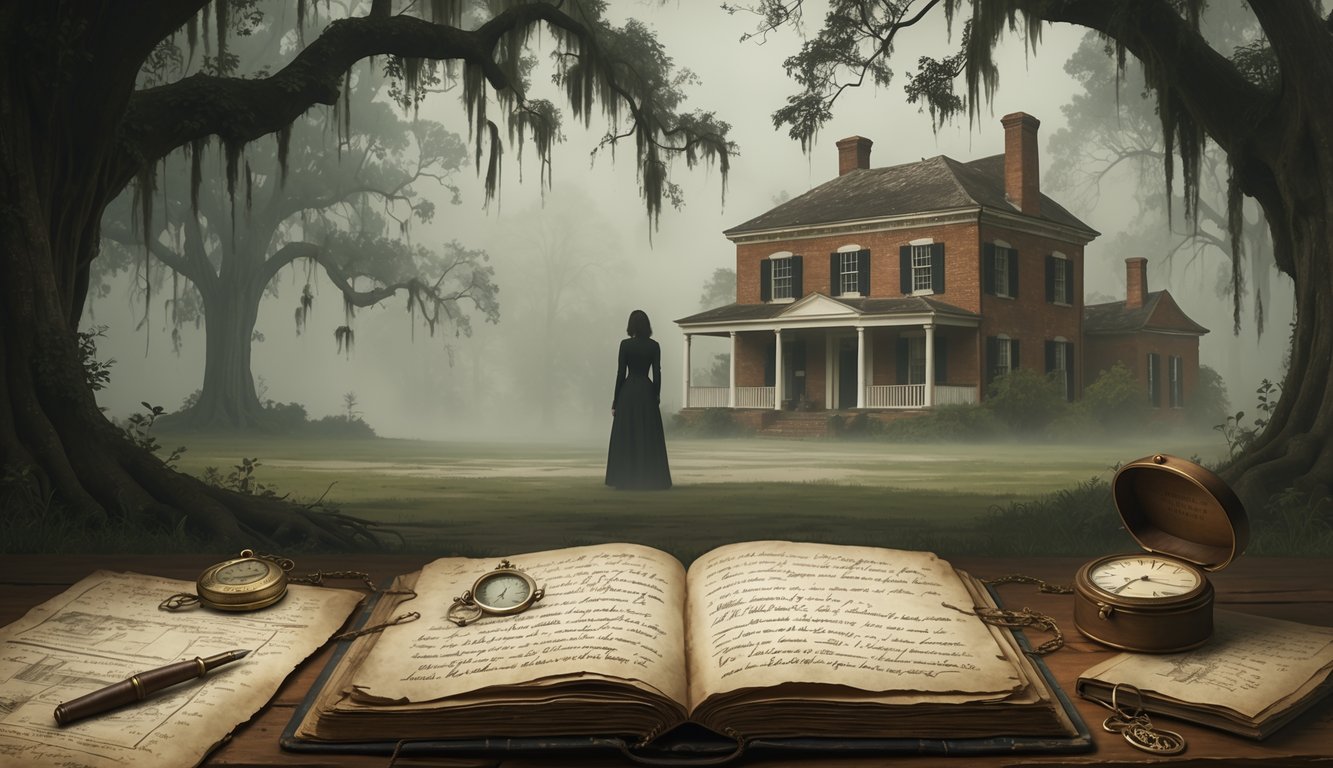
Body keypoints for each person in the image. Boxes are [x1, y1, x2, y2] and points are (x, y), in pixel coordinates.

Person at [605, 309, 672, 490]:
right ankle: (652, 477)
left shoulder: (625, 345)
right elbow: (657, 373)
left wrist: (615, 400)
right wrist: (656, 395)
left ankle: (624, 477)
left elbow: (620, 373)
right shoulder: (654, 346)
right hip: (646, 390)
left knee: (626, 434)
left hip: (628, 392)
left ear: (631, 325)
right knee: (648, 434)